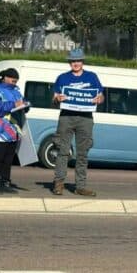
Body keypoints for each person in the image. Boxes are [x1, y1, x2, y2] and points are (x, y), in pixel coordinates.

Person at [51, 48, 104, 197]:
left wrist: (99, 99)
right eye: (73, 61)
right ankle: (59, 183)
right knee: (62, 151)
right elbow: (54, 99)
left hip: (85, 118)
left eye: (78, 60)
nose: (76, 63)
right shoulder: (62, 78)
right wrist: (57, 99)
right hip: (66, 117)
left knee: (83, 153)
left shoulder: (92, 77)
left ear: (82, 62)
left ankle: (80, 186)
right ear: (69, 62)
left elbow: (100, 96)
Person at [0, 67, 28, 194]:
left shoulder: (16, 90)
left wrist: (26, 105)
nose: (15, 84)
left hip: (12, 131)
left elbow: (21, 102)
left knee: (8, 159)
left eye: (16, 81)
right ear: (6, 78)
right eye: (13, 81)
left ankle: (5, 182)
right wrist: (13, 105)